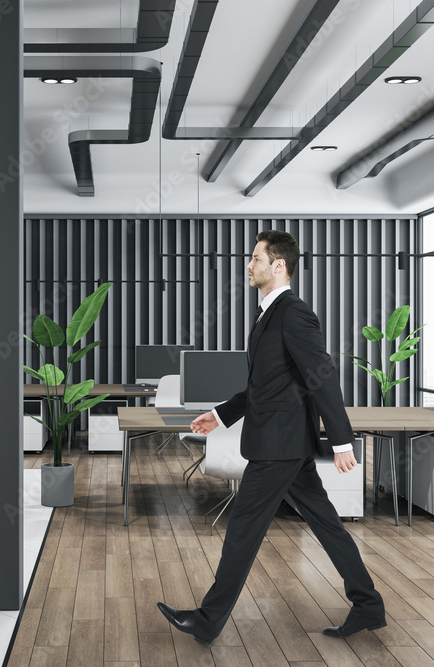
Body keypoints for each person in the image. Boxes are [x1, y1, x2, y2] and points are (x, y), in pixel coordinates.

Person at [157, 230, 385, 646]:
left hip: (279, 446)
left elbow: (321, 375)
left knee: (243, 525)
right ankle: (367, 603)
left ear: (278, 265)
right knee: (326, 523)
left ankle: (209, 620)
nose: (249, 265)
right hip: (286, 444)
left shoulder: (293, 313)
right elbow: (267, 386)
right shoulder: (268, 314)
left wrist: (341, 441)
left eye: (256, 259)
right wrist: (220, 414)